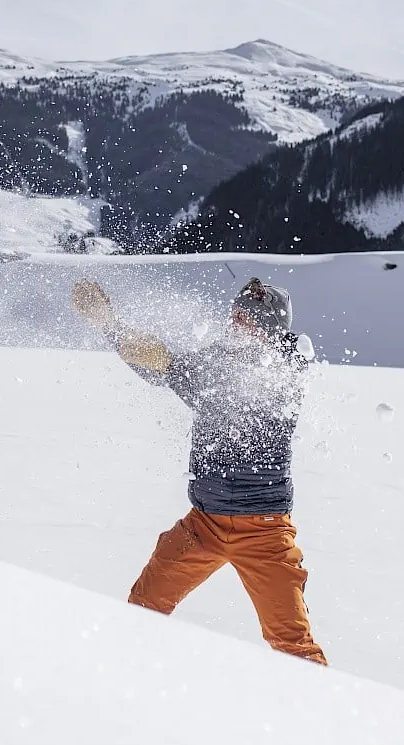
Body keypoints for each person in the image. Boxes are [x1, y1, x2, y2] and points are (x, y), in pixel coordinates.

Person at [71, 275, 327, 665]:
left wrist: (172, 366)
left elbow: (200, 385)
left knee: (292, 645)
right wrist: (110, 326)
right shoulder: (220, 360)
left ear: (270, 328)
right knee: (142, 607)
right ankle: (120, 677)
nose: (236, 324)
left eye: (249, 319)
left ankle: (327, 715)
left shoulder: (281, 374)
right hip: (202, 524)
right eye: (236, 315)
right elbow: (160, 369)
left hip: (265, 532)